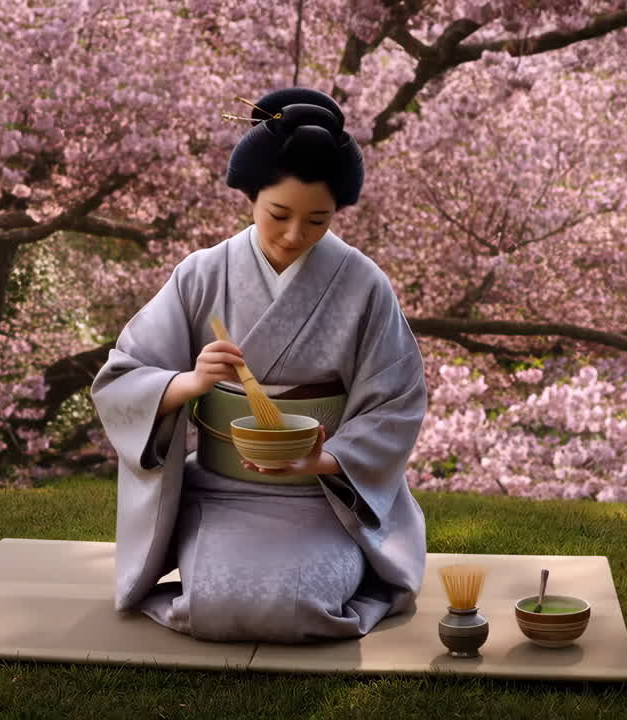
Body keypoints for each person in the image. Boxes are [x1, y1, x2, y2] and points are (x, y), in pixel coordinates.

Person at [91, 88, 427, 643]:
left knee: (301, 605)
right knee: (221, 603)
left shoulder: (364, 284)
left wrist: (326, 460)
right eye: (280, 214)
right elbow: (122, 377)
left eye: (317, 221)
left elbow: (396, 400)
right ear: (250, 196)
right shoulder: (201, 274)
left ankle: (362, 558)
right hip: (224, 489)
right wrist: (189, 382)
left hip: (321, 496)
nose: (296, 235)